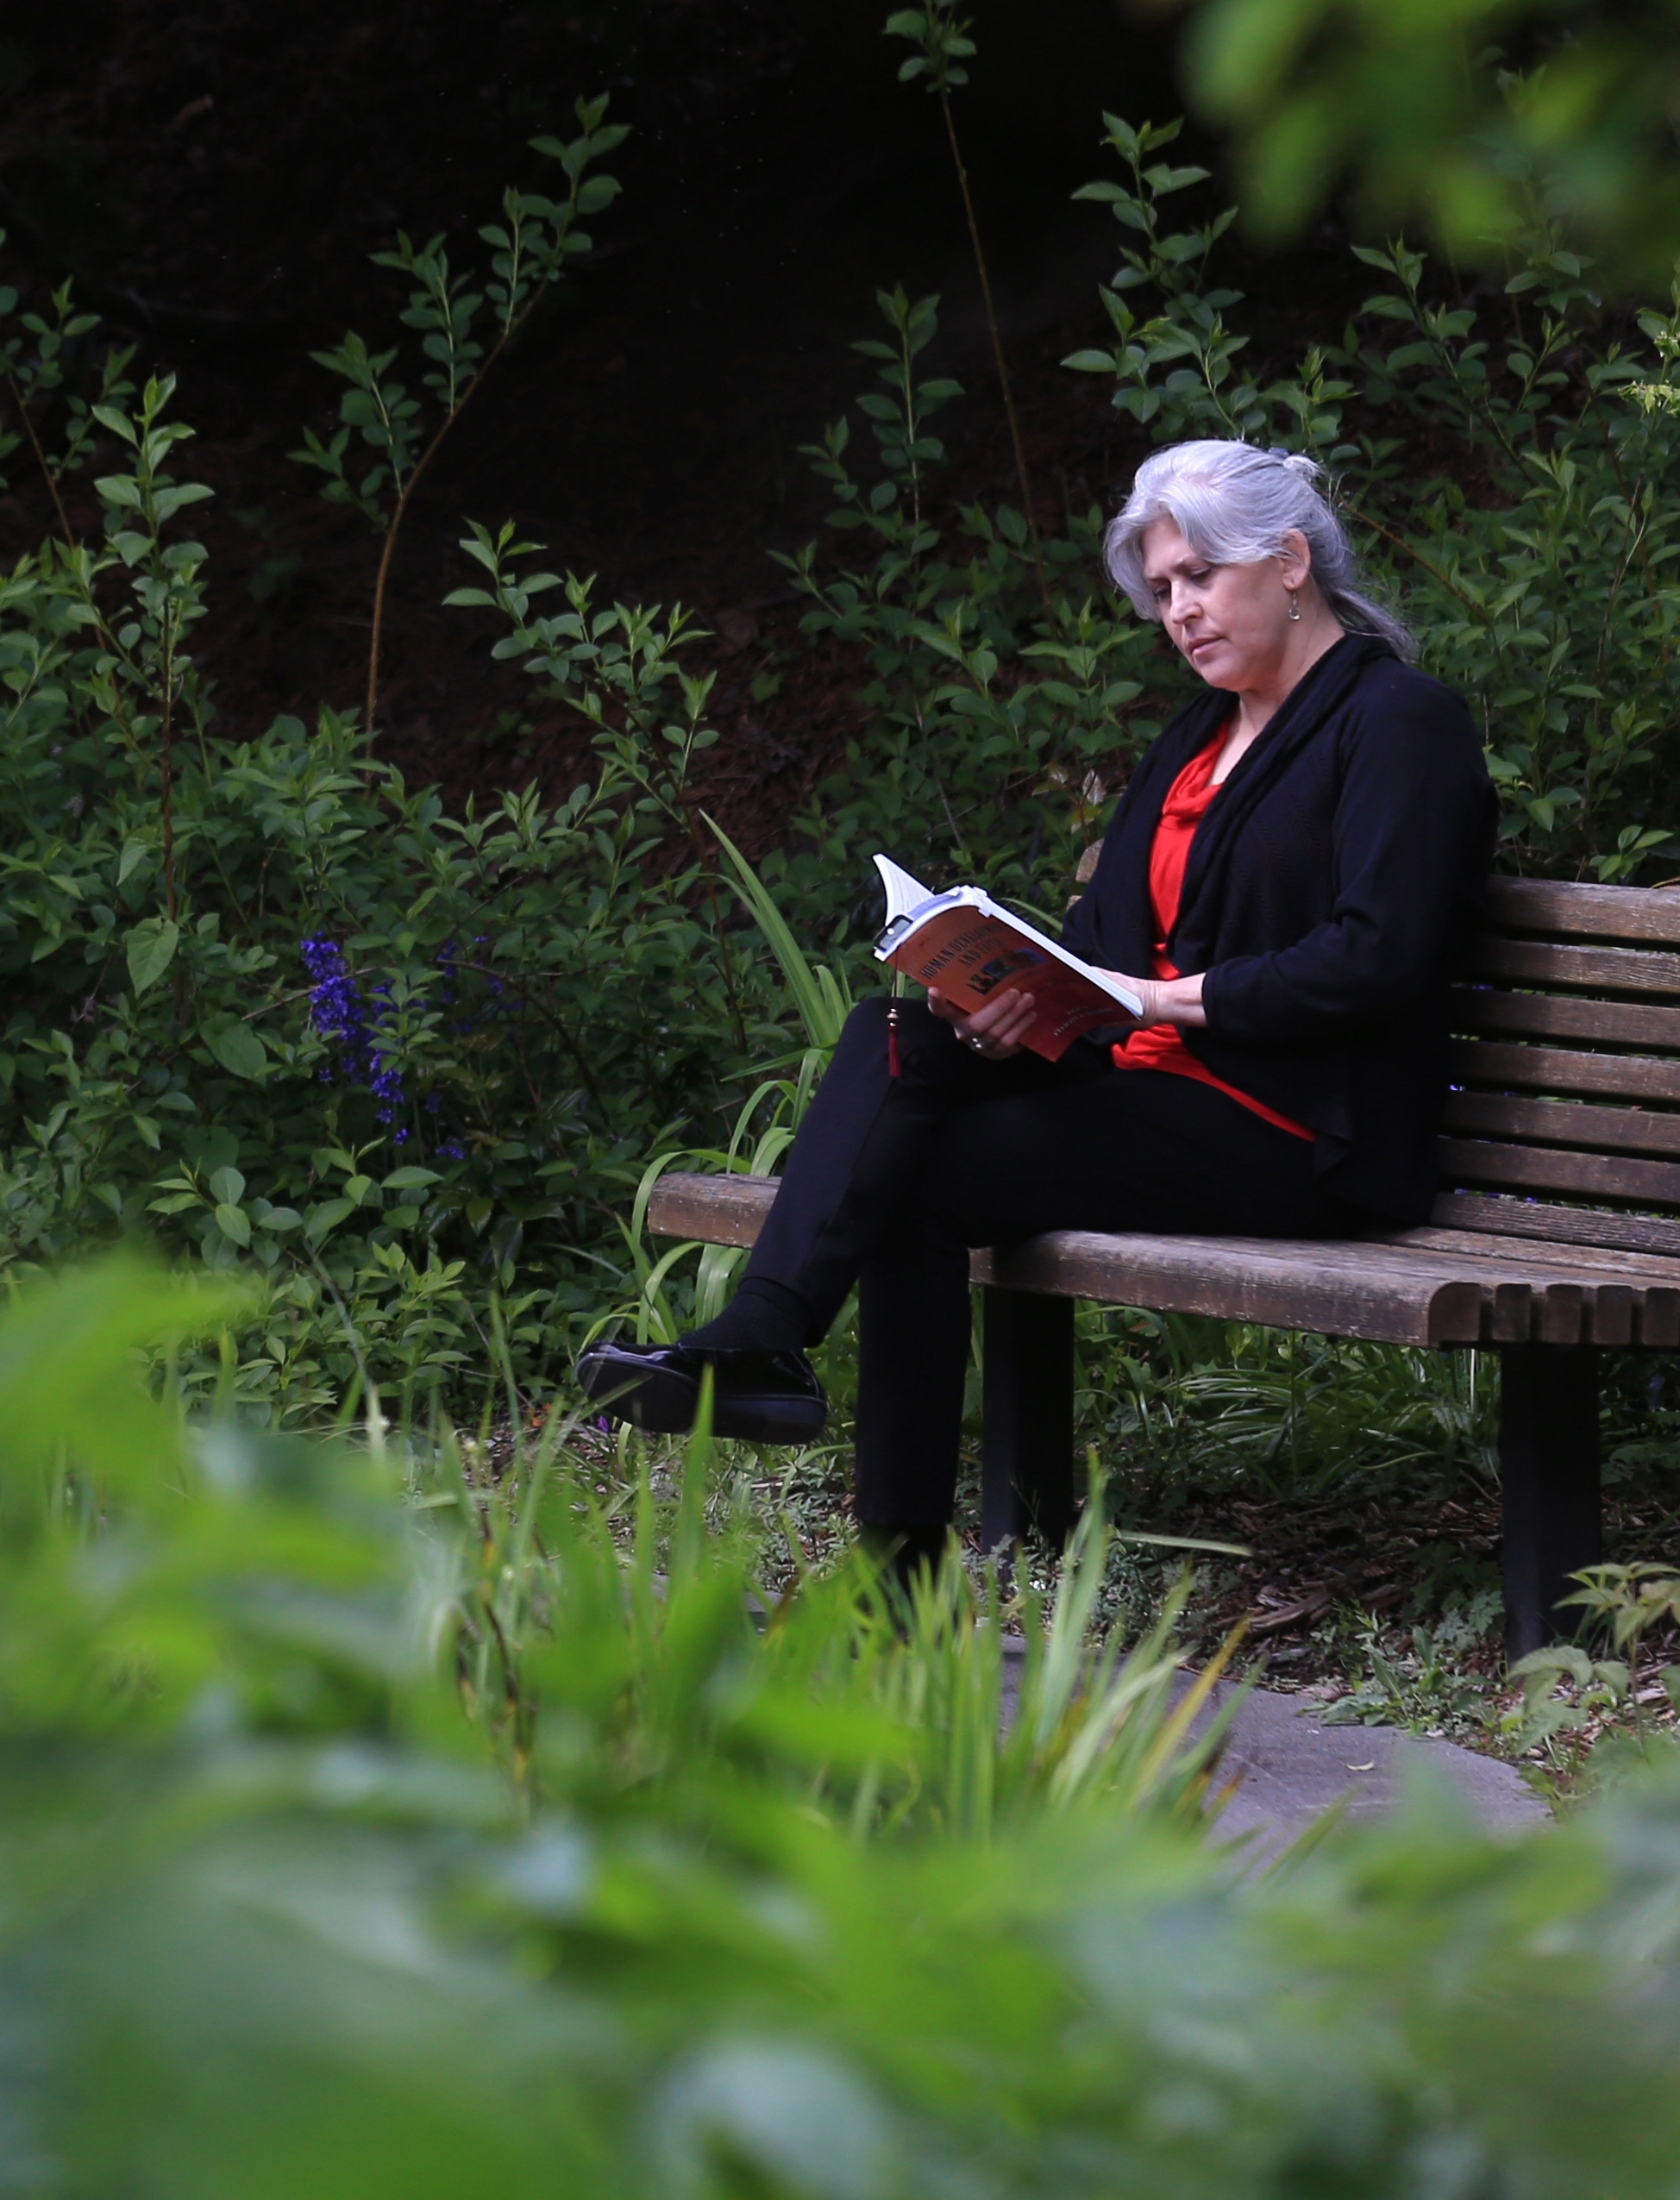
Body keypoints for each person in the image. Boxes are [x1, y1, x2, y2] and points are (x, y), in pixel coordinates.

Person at [574, 439, 1496, 1552]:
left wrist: (1160, 1004)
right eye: (1162, 591)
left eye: (1200, 577)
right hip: (1152, 1090)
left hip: (1297, 1127)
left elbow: (1375, 957)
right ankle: (768, 1338)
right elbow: (1105, 945)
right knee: (897, 1035)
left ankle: (886, 1552)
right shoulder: (1194, 743)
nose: (1180, 612)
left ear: (1290, 560)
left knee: (923, 1180)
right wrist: (1015, 1003)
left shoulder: (1398, 722)